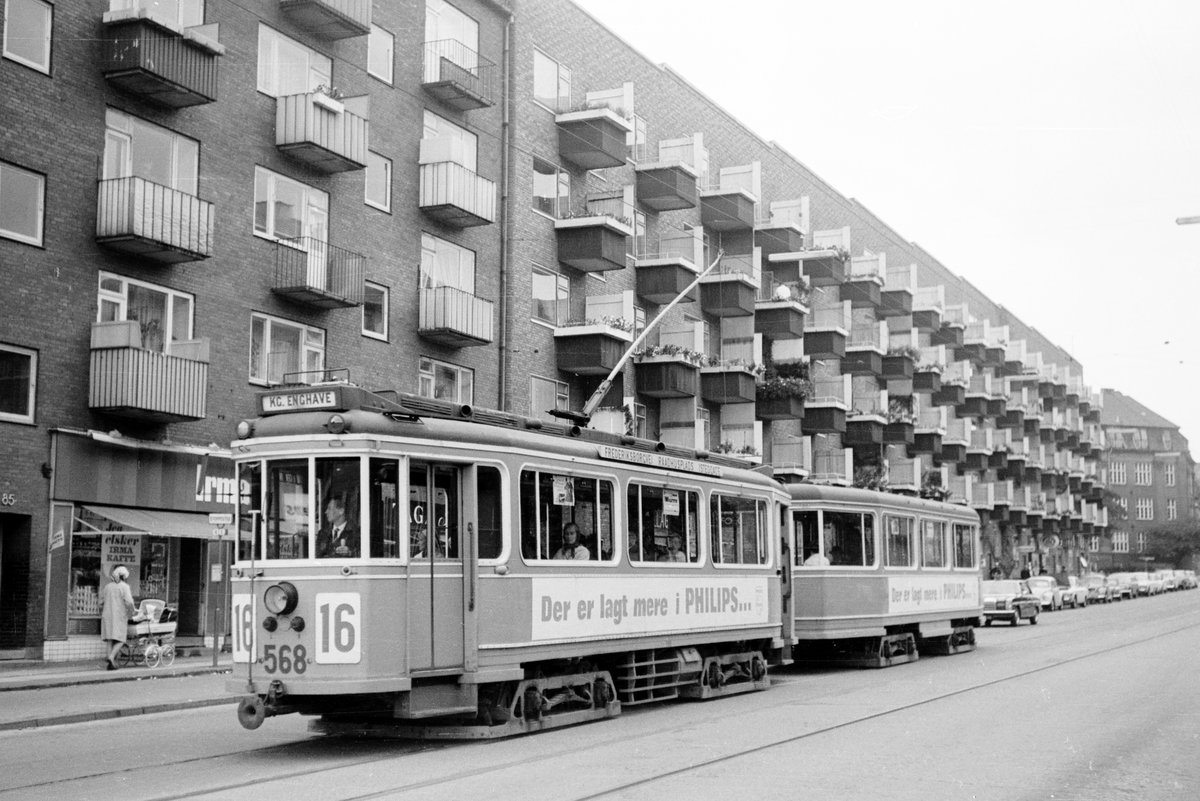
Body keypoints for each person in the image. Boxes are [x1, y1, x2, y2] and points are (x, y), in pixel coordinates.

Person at [100, 565, 136, 670]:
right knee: (121, 639)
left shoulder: (107, 587)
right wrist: (132, 611)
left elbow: (101, 602)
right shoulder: (124, 587)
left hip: (107, 615)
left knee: (110, 639)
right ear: (123, 577)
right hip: (119, 616)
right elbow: (129, 602)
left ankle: (110, 664)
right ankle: (111, 657)